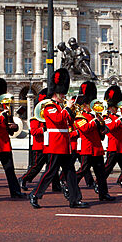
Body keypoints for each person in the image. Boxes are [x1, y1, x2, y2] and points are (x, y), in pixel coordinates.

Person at [29, 68, 87, 209]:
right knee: (50, 172)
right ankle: (35, 194)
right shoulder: (49, 106)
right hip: (56, 144)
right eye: (62, 93)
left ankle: (75, 199)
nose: (64, 95)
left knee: (70, 173)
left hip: (64, 144)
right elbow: (58, 119)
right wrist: (67, 108)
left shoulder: (59, 107)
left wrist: (71, 110)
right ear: (56, 93)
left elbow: (68, 121)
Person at [71, 80, 113, 202]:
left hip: (97, 148)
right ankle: (69, 185)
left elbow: (101, 130)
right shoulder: (80, 116)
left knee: (101, 173)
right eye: (89, 104)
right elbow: (85, 128)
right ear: (85, 105)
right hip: (87, 148)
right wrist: (95, 121)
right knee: (83, 171)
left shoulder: (94, 116)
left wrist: (102, 126)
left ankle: (103, 194)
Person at [101, 85, 122, 184]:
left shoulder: (119, 117)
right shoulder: (106, 116)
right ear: (110, 107)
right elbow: (110, 127)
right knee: (107, 169)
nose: (117, 109)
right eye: (115, 107)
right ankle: (99, 183)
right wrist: (120, 119)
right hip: (113, 147)